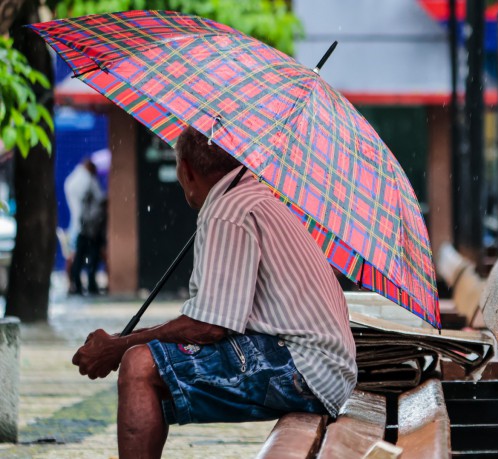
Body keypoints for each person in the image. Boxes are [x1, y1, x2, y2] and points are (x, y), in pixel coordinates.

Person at [71, 126, 358, 458]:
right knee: (157, 363)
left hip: (307, 370)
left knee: (141, 365)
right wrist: (131, 341)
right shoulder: (250, 198)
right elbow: (211, 322)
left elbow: (209, 327)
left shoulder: (228, 211)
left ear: (186, 171)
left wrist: (121, 345)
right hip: (324, 370)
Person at [64, 158, 105, 294]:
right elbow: (97, 200)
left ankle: (77, 285)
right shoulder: (88, 181)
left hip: (83, 226)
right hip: (89, 227)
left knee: (80, 258)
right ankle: (86, 285)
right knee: (88, 258)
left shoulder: (75, 180)